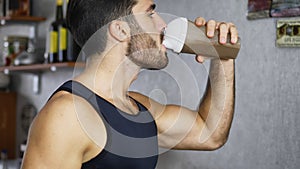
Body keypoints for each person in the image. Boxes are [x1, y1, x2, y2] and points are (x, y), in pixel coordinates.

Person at [21, 0, 239, 168]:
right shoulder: (66, 115)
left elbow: (210, 134)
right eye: (150, 14)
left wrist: (223, 56)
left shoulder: (137, 107)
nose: (163, 25)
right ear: (120, 30)